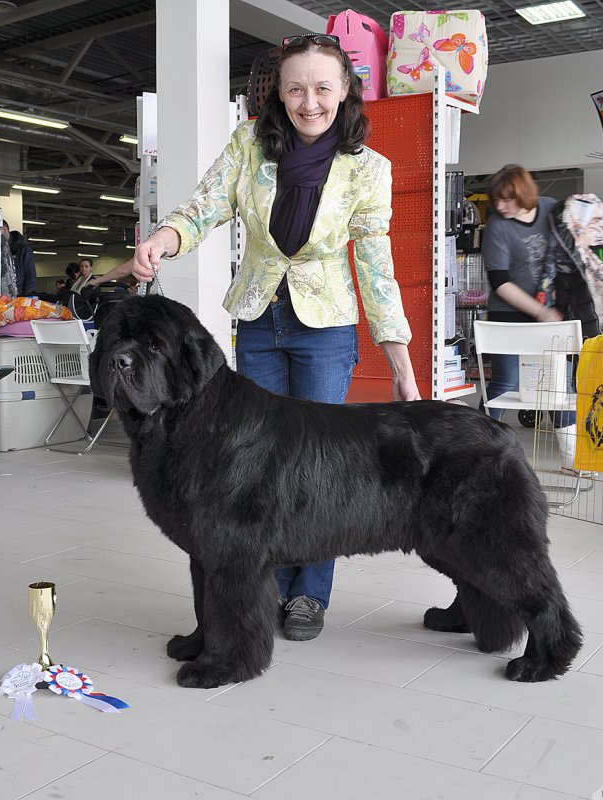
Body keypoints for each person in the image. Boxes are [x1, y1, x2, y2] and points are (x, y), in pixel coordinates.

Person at [131, 32, 420, 642]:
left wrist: (399, 356)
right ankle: (252, 590)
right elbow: (202, 208)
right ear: (278, 94)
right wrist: (163, 239)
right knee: (250, 467)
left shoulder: (368, 170)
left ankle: (308, 595)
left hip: (326, 329)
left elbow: (376, 264)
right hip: (259, 320)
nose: (308, 101)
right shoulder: (249, 145)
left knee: (317, 468)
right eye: (295, 88)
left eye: (322, 88)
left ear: (345, 92)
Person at [481, 164, 577, 469]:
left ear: (523, 194)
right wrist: (541, 312)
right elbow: (500, 282)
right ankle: (475, 447)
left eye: (507, 199)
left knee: (557, 387)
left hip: (549, 314)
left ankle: (574, 459)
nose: (500, 206)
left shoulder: (549, 209)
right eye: (496, 200)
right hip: (508, 315)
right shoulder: (497, 226)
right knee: (504, 383)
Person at [2, 221, 37, 296]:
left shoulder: (23, 248)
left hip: (20, 295)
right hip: (4, 296)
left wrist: (25, 297)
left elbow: (30, 275)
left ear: (4, 229)